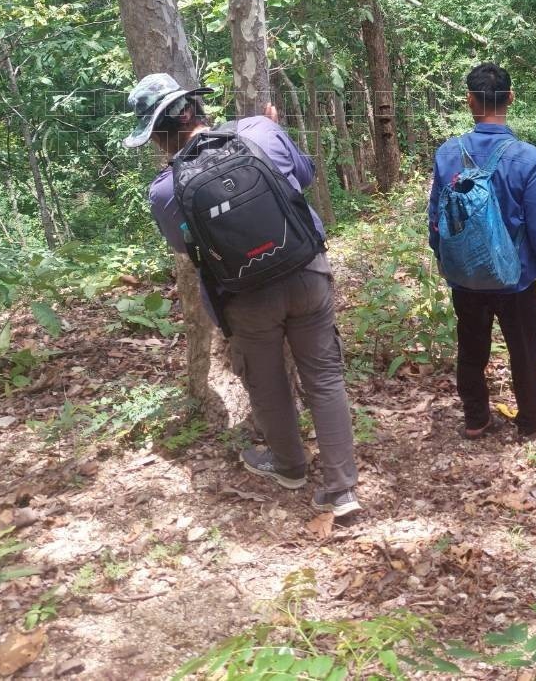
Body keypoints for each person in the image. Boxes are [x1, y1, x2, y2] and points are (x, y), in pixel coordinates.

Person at [126, 73, 360, 518]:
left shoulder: (164, 189)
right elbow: (304, 175)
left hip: (244, 295)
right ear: (195, 108)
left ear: (157, 135)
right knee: (325, 378)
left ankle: (289, 467)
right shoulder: (259, 130)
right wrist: (274, 133)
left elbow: (184, 246)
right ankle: (341, 489)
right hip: (306, 272)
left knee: (266, 383)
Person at [428, 63, 536, 442]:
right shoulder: (526, 157)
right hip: (515, 278)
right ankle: (532, 421)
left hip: (465, 276)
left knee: (471, 348)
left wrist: (444, 260)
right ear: (511, 98)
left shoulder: (447, 153)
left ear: (469, 100)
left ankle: (476, 419)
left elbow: (436, 218)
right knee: (524, 350)